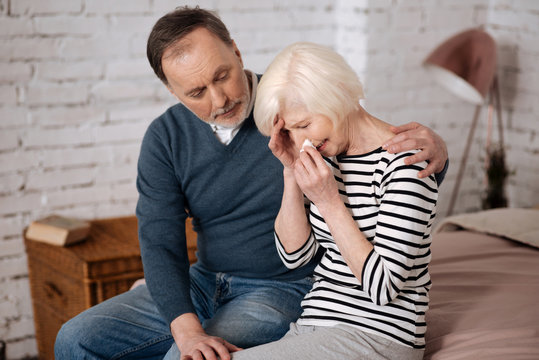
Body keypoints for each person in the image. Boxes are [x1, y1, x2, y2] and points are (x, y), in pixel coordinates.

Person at [54, 7, 447, 360]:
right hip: (205, 279)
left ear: (237, 53)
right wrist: (187, 327)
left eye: (222, 76)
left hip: (279, 288)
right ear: (172, 92)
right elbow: (159, 241)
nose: (219, 98)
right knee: (75, 339)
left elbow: (368, 153)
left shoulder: (290, 107)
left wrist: (437, 154)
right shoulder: (165, 137)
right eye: (196, 92)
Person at [230, 42, 438, 360]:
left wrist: (328, 203)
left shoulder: (405, 163)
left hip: (376, 336)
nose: (302, 141)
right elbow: (295, 257)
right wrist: (291, 172)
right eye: (290, 130)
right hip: (313, 328)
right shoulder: (328, 158)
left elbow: (383, 288)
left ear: (338, 93)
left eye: (304, 125)